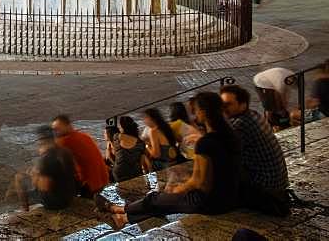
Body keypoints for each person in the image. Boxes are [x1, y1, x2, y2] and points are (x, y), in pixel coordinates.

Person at [103, 91, 241, 227]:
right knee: (163, 202)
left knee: (155, 198)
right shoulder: (230, 136)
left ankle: (121, 210)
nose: (194, 115)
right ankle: (124, 218)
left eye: (196, 111)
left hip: (209, 202)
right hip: (230, 197)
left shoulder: (206, 143)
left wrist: (178, 189)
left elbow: (199, 182)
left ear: (204, 112)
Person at [220, 84, 289, 215]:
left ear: (243, 104)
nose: (223, 109)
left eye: (228, 104)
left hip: (266, 186)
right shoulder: (254, 114)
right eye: (222, 104)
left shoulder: (240, 124)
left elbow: (223, 152)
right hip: (279, 181)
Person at [12, 125, 76, 211]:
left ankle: (25, 209)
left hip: (56, 203)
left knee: (19, 177)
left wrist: (35, 177)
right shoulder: (65, 151)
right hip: (70, 196)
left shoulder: (46, 159)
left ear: (41, 140)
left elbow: (44, 188)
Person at [52, 114, 110, 196]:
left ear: (68, 126)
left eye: (58, 129)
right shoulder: (84, 136)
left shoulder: (64, 141)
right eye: (54, 129)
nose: (56, 132)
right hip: (104, 178)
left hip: (90, 184)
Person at [111, 116, 149, 182]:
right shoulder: (140, 143)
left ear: (123, 127)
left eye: (120, 126)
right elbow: (142, 162)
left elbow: (115, 153)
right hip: (134, 172)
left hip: (119, 172)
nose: (119, 128)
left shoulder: (116, 137)